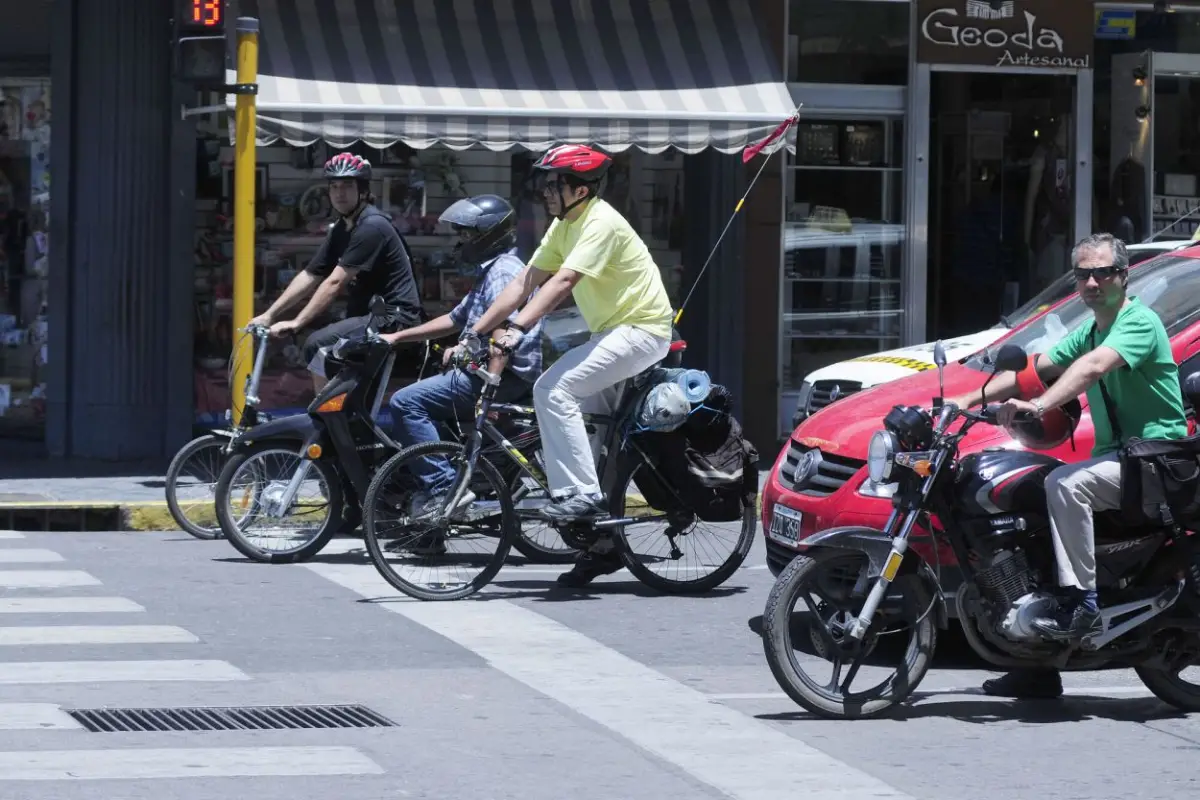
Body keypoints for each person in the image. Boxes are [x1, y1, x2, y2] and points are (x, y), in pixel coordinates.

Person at [948, 232, 1188, 699]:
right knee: (1030, 506)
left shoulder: (1137, 323)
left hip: (1156, 458)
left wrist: (1039, 407)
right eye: (1083, 274)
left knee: (1065, 484)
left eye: (1102, 272)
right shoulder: (1093, 327)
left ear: (1123, 275)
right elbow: (1037, 368)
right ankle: (1034, 658)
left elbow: (1090, 368)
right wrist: (961, 399)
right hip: (1121, 460)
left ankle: (1083, 603)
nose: (1093, 282)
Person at [467, 143, 675, 588]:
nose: (543, 191)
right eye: (543, 183)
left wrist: (518, 328)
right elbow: (526, 281)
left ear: (579, 188)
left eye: (552, 183)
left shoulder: (600, 222)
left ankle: (581, 496)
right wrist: (475, 332)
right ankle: (601, 544)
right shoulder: (566, 225)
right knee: (588, 427)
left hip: (642, 330)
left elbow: (564, 281)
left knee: (552, 389)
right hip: (612, 333)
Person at [380, 194, 543, 519]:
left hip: (500, 376)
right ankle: (439, 495)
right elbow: (455, 319)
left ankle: (444, 491)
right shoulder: (493, 270)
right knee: (425, 407)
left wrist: (490, 382)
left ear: (488, 235)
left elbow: (500, 329)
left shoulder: (502, 272)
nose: (461, 241)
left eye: (467, 234)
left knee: (405, 403)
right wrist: (397, 337)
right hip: (487, 371)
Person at [249, 153, 423, 391]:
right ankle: (341, 420)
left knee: (316, 345)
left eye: (347, 186)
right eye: (334, 186)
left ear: (362, 190)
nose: (339, 193)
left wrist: (297, 322)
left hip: (396, 318)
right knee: (338, 366)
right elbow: (311, 275)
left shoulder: (372, 226)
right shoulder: (343, 227)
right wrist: (270, 314)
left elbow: (334, 282)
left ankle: (326, 421)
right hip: (370, 315)